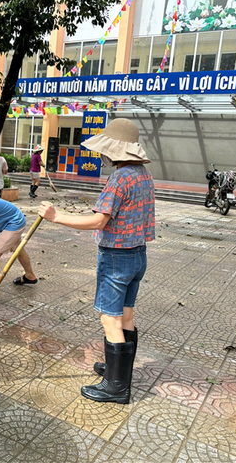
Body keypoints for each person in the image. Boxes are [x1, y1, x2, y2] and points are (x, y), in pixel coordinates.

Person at [38, 118, 155, 404]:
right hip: (138, 256)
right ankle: (119, 373)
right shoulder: (143, 175)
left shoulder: (120, 177)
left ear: (113, 150)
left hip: (116, 258)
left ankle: (116, 388)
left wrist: (57, 217)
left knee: (109, 319)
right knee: (126, 316)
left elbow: (99, 220)